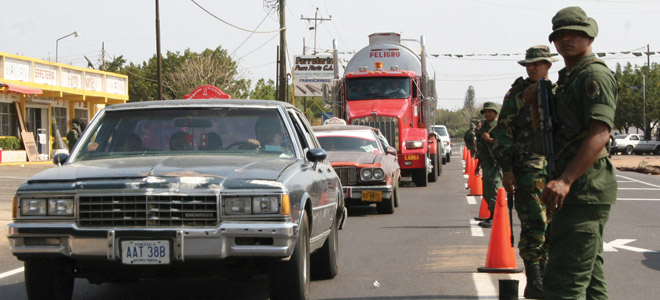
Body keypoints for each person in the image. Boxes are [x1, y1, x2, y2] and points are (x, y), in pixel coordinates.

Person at [526, 7, 617, 300]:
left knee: (563, 284)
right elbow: (547, 137)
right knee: (590, 281)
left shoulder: (593, 76)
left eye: (575, 34)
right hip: (576, 190)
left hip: (583, 189)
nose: (567, 40)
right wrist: (533, 104)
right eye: (560, 35)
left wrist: (565, 180)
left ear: (590, 36)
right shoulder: (568, 79)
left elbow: (600, 133)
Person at [491, 45, 557, 299]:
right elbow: (502, 134)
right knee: (534, 223)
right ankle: (534, 280)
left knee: (553, 224)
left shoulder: (557, 92)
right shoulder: (516, 95)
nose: (531, 68)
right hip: (527, 168)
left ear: (548, 65)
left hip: (554, 167)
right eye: (528, 64)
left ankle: (545, 275)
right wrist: (507, 170)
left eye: (537, 63)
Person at [475, 102, 502, 228]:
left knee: (493, 190)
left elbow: (503, 143)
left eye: (490, 111)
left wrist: (490, 140)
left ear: (495, 113)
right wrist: (478, 165)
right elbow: (481, 147)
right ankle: (491, 215)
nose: (487, 114)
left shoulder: (499, 126)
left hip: (495, 163)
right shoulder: (484, 127)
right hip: (486, 162)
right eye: (485, 112)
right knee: (487, 191)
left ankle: (495, 217)